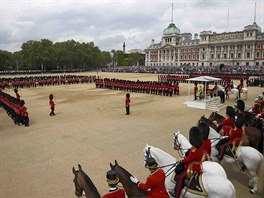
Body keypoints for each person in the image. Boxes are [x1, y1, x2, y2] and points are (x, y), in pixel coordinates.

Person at [173, 127, 203, 198]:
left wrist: (181, 160)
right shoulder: (199, 147)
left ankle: (176, 195)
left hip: (193, 168)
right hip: (196, 165)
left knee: (180, 178)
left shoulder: (194, 150)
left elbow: (189, 159)